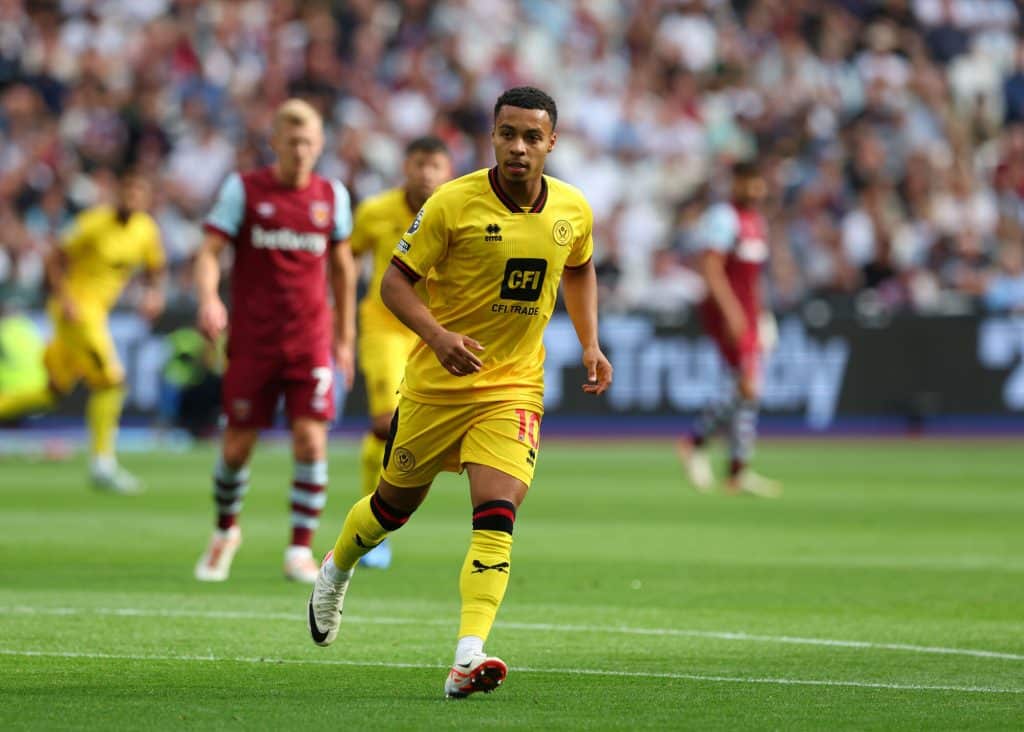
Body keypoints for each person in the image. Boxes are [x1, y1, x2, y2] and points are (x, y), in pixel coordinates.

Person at [307, 86, 613, 699]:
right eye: (508, 134)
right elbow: (394, 284)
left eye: (532, 136)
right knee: (392, 509)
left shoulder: (574, 210)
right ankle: (338, 566)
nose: (519, 147)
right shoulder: (452, 203)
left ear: (552, 142)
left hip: (514, 386)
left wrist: (589, 342)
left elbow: (578, 266)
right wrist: (438, 335)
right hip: (438, 384)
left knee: (497, 513)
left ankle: (467, 656)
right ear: (493, 137)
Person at [193, 98, 356, 584]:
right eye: (292, 141)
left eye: (309, 141)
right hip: (253, 339)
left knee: (310, 440)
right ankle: (225, 531)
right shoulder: (243, 190)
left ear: (320, 143)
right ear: (275, 143)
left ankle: (299, 550)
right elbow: (209, 251)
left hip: (309, 340)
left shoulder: (333, 195)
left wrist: (345, 337)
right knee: (237, 446)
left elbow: (344, 268)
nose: (301, 150)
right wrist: (208, 298)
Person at [0, 171, 165, 493]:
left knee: (52, 391)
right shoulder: (93, 223)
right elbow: (54, 258)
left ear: (146, 199)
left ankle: (103, 463)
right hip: (76, 313)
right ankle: (102, 465)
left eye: (138, 193)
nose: (132, 199)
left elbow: (156, 267)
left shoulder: (145, 230)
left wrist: (153, 293)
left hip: (96, 314)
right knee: (111, 382)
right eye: (127, 191)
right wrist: (64, 298)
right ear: (118, 193)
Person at [348, 136, 453, 570]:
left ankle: (383, 520)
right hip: (383, 326)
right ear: (405, 167)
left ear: (446, 171)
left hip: (433, 330)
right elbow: (346, 257)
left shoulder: (454, 209)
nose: (426, 173)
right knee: (384, 423)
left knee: (422, 431)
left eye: (435, 166)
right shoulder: (374, 211)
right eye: (419, 164)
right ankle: (373, 529)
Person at [678, 161, 781, 497]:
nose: (755, 189)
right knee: (747, 386)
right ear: (736, 183)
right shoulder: (724, 218)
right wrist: (733, 312)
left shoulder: (756, 221)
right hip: (728, 312)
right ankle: (694, 441)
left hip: (750, 312)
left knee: (748, 388)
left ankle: (738, 469)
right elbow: (711, 269)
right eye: (749, 182)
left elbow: (754, 279)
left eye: (758, 182)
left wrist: (761, 315)